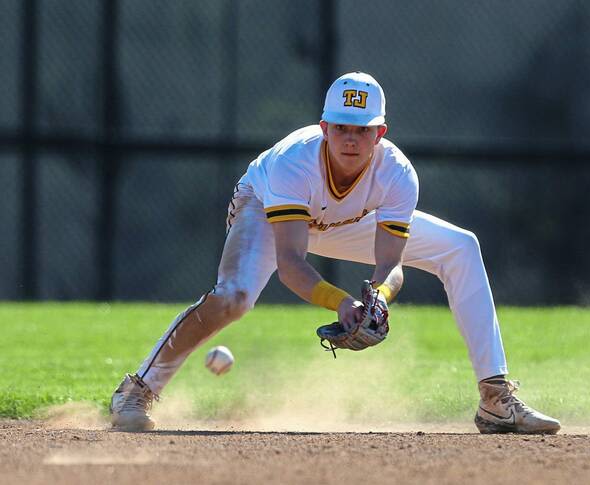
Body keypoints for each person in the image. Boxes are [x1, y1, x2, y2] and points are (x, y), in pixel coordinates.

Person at [110, 72, 560, 434]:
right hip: (269, 212)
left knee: (460, 247)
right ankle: (138, 390)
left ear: (380, 133)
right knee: (234, 298)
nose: (350, 138)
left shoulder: (398, 174)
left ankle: (496, 398)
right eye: (341, 127)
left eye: (362, 130)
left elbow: (391, 263)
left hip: (349, 219)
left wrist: (380, 296)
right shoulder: (294, 162)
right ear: (324, 128)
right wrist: (343, 303)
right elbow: (290, 263)